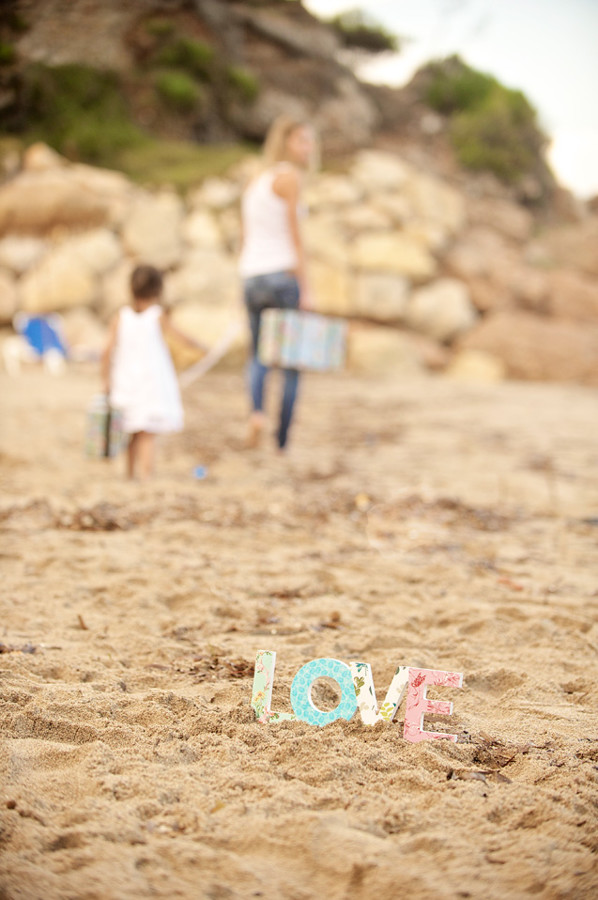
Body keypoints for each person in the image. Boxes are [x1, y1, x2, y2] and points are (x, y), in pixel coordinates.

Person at [238, 115, 317, 451]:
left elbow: (246, 237)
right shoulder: (289, 178)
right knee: (290, 364)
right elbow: (295, 238)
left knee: (258, 356)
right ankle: (281, 442)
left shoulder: (256, 181)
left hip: (252, 276)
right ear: (286, 141)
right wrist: (307, 287)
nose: (309, 147)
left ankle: (257, 413)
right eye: (303, 140)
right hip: (282, 277)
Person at [101, 264, 204, 480]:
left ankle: (130, 474)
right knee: (147, 433)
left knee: (130, 430)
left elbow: (106, 351)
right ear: (158, 290)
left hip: (125, 381)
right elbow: (180, 337)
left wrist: (105, 380)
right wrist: (202, 347)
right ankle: (147, 475)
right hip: (150, 384)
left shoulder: (121, 316)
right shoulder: (157, 315)